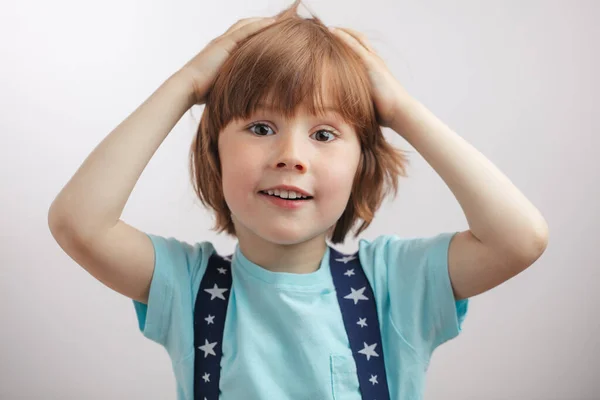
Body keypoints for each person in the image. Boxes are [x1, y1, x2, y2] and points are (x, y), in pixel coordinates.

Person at [47, 1, 549, 399]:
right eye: (261, 127)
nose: (291, 156)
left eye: (325, 134)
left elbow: (520, 239)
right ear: (214, 155)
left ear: (362, 165)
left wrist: (399, 109)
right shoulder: (188, 285)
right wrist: (187, 84)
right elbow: (78, 222)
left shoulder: (396, 283)